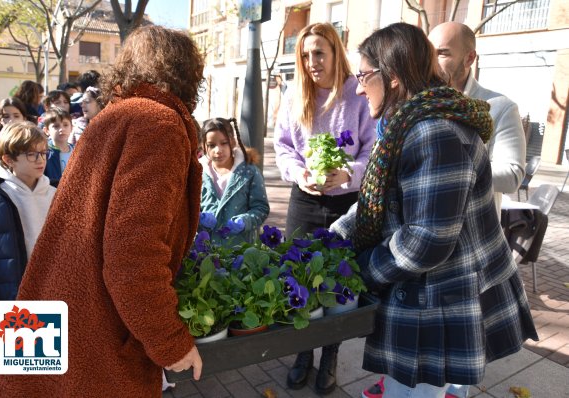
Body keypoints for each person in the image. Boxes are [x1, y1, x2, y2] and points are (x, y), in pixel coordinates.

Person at [0, 25, 205, 397]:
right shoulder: (159, 123)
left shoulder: (113, 116)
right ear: (186, 74)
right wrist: (172, 342)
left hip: (60, 307)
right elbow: (131, 256)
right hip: (96, 331)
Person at [327, 22, 538, 398]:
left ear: (391, 76)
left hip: (441, 298)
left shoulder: (433, 132)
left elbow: (425, 242)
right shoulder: (404, 123)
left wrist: (357, 270)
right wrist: (333, 239)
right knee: (401, 389)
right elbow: (377, 201)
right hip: (424, 292)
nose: (358, 88)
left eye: (362, 76)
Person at [273, 22, 376, 395]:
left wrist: (348, 173)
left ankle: (330, 355)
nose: (312, 61)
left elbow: (370, 150)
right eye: (305, 54)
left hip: (346, 202)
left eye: (319, 52)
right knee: (300, 274)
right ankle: (303, 354)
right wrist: (298, 173)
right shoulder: (293, 94)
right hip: (304, 201)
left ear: (335, 52)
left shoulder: (357, 94)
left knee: (340, 280)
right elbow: (282, 146)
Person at [428, 22, 526, 216]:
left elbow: (512, 175)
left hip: (472, 237)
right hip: (422, 233)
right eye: (430, 54)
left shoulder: (499, 107)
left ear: (469, 58)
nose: (432, 62)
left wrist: (451, 172)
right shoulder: (419, 104)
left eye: (443, 53)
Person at [0, 121, 56, 338]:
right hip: (12, 299)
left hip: (53, 294)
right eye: (32, 154)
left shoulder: (56, 193)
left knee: (50, 366)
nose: (41, 160)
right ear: (8, 159)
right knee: (20, 366)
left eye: (43, 153)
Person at [199, 117, 270, 243]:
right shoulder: (198, 173)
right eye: (211, 145)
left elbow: (261, 208)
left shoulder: (249, 172)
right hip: (205, 250)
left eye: (223, 143)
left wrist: (245, 221)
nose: (218, 150)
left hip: (239, 250)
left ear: (232, 142)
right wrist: (198, 218)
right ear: (203, 146)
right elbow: (186, 209)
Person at [43, 107, 74, 181]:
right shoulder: (44, 153)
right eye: (56, 126)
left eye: (65, 125)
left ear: (71, 128)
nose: (61, 129)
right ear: (47, 130)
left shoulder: (77, 150)